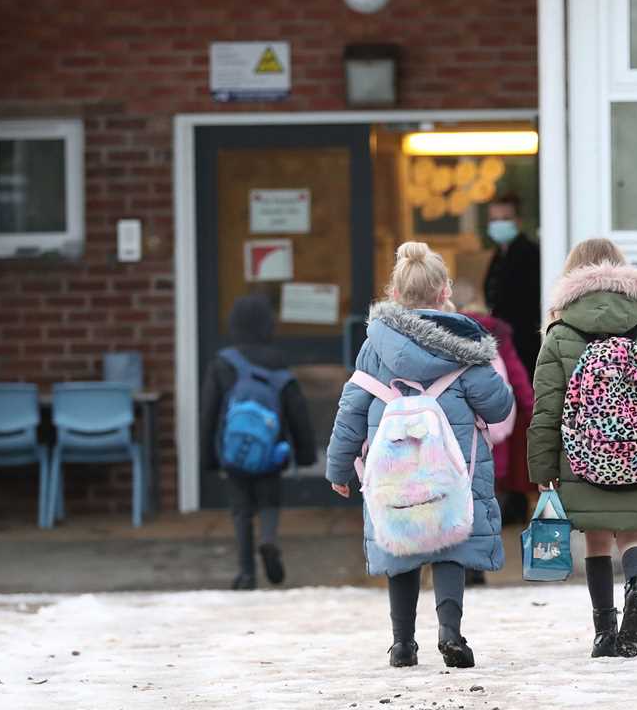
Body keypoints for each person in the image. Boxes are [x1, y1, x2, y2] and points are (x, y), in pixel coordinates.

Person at [326, 242, 512, 669]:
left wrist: (339, 467)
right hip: (454, 471)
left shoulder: (375, 348)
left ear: (394, 293)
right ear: (444, 290)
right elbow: (499, 408)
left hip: (394, 474)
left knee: (401, 541)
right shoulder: (466, 347)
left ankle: (402, 643)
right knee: (450, 544)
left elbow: (352, 408)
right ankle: (450, 632)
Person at [528, 238, 637, 658]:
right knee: (634, 533)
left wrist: (542, 467)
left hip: (583, 457)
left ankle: (605, 631)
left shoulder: (561, 333)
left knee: (597, 541)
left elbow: (546, 410)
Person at [199, 294, 316, 591]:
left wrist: (208, 457)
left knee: (240, 509)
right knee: (268, 501)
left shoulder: (223, 363)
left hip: (233, 453)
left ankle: (246, 573)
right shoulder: (277, 361)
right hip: (270, 449)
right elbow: (296, 408)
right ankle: (268, 539)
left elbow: (209, 412)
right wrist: (305, 453)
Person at [452, 278, 536, 583]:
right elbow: (516, 376)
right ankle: (479, 564)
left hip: (453, 433)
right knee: (487, 495)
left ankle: (460, 562)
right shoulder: (496, 333)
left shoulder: (440, 333)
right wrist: (534, 413)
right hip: (493, 435)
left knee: (456, 497)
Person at [483, 194, 542, 378]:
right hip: (504, 339)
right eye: (494, 219)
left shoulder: (529, 253)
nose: (499, 224)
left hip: (523, 342)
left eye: (505, 219)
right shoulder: (499, 254)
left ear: (518, 221)